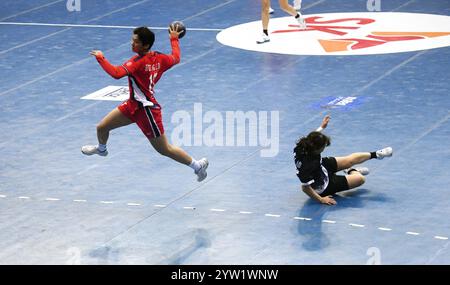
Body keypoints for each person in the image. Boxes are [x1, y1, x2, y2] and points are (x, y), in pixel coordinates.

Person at [81, 25, 209, 182]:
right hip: (132, 106)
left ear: (145, 45)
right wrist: (174, 38)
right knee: (101, 127)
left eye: (135, 41)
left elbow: (116, 73)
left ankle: (197, 166)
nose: (131, 43)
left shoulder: (137, 62)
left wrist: (101, 57)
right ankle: (101, 150)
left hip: (147, 112)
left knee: (164, 149)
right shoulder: (160, 58)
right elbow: (176, 57)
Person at [294, 115, 393, 205]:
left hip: (321, 166)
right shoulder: (306, 166)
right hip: (324, 185)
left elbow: (311, 137)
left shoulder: (303, 145)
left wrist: (322, 127)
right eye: (323, 146)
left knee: (349, 160)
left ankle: (377, 154)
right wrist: (321, 199)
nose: (325, 147)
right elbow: (305, 188)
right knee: (361, 179)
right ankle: (352, 171)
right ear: (316, 149)